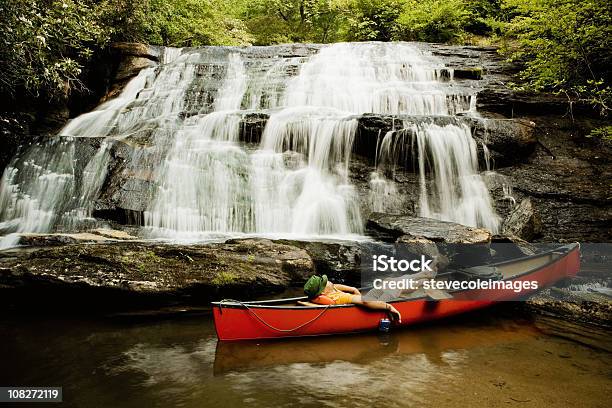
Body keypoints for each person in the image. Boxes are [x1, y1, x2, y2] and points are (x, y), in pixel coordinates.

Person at [304, 274, 401, 322]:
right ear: (323, 292)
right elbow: (365, 302)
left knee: (389, 281)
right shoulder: (338, 297)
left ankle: (416, 279)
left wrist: (359, 296)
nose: (328, 281)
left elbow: (354, 289)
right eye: (325, 283)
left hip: (370, 299)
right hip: (374, 303)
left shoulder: (332, 289)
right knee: (398, 286)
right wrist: (388, 307)